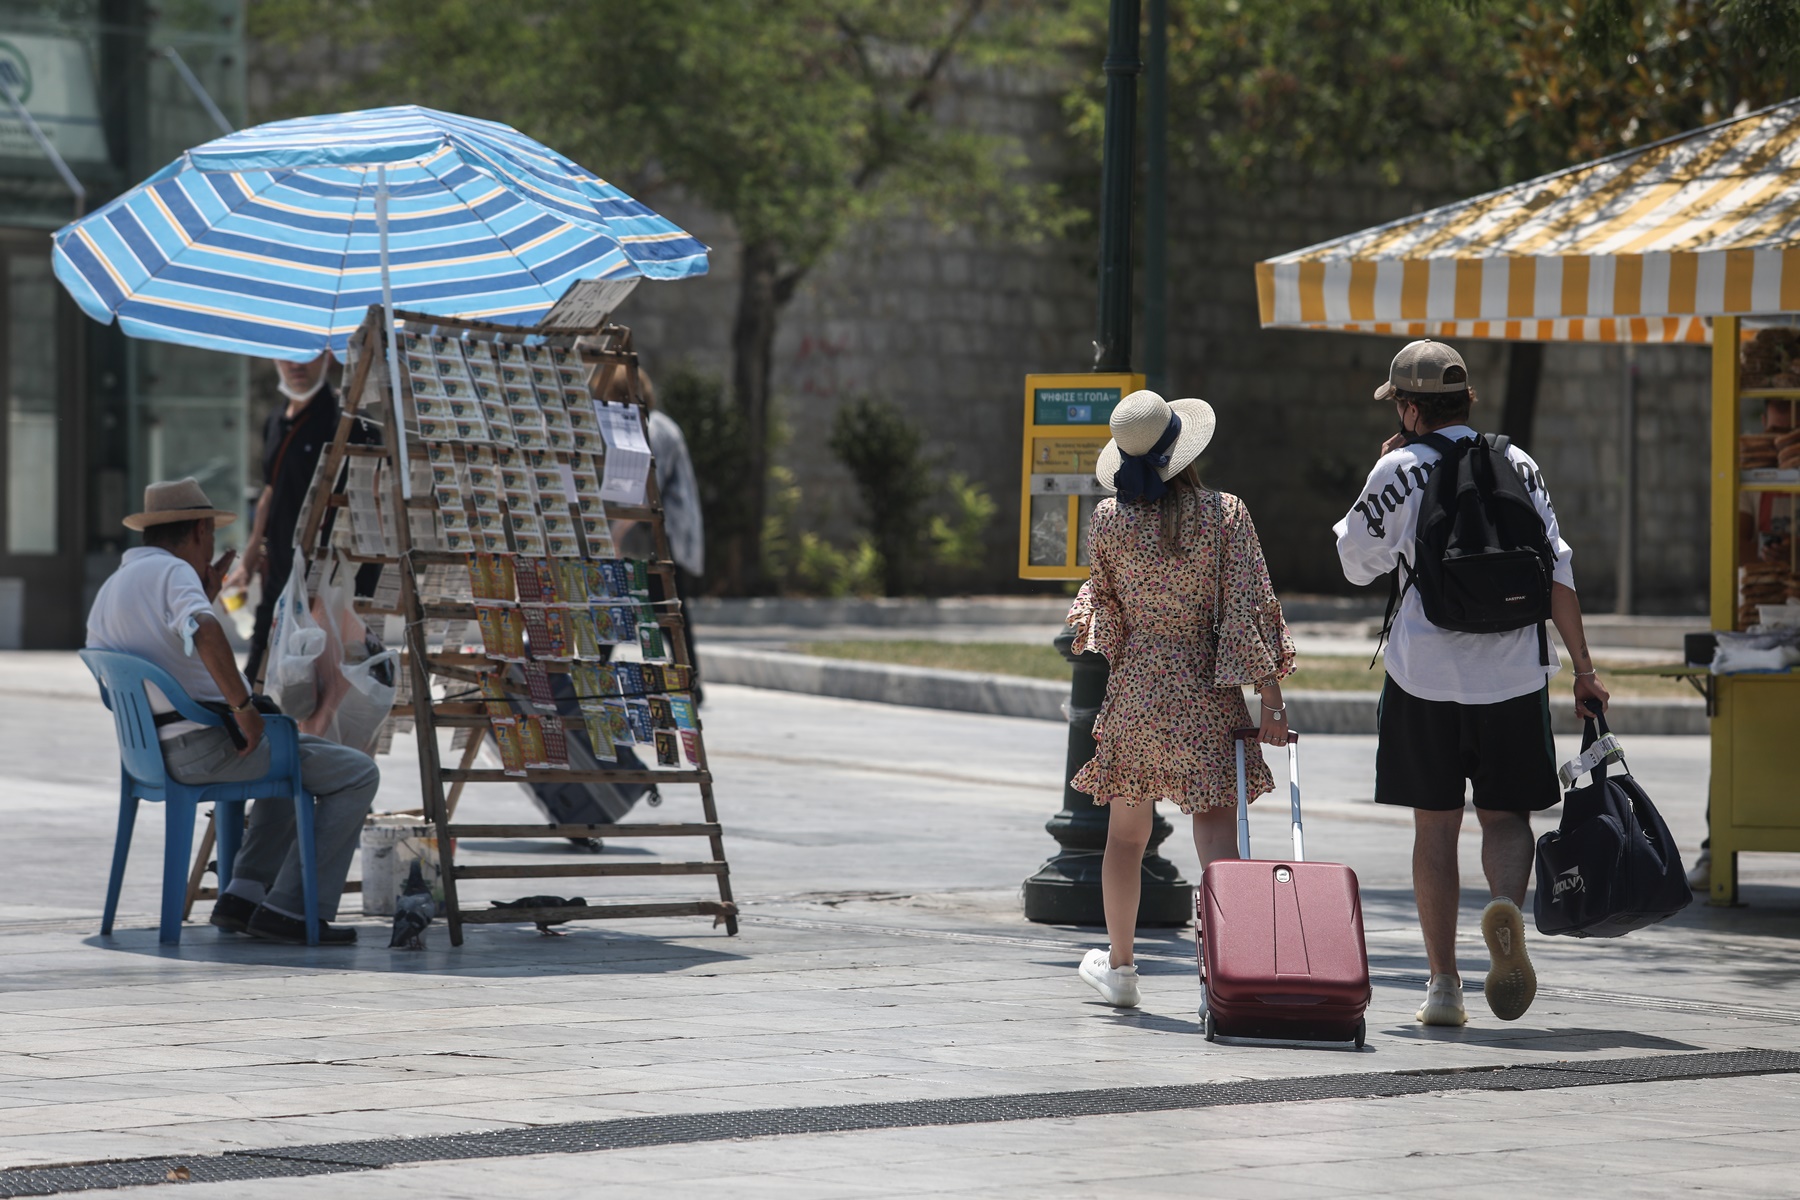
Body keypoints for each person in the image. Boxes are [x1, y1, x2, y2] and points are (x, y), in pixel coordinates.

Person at [1333, 339, 1609, 1027]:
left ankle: (1443, 986)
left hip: (1423, 676)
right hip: (1514, 674)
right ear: (1466, 401)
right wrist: (1584, 669)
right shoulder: (1517, 462)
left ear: (1408, 406)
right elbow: (1559, 573)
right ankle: (1507, 912)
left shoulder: (1398, 467)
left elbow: (1354, 564)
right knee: (1506, 817)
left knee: (1436, 826)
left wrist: (1379, 472)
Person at [1066, 391, 1296, 1008]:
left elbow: (1104, 611)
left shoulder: (1111, 519)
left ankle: (1120, 968)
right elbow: (1247, 609)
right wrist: (1270, 698)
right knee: (1218, 838)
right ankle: (1230, 972)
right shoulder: (1225, 514)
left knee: (1125, 837)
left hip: (1137, 689)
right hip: (1204, 691)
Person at [87, 478, 380, 945]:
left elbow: (169, 644)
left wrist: (208, 591)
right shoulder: (173, 573)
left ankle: (242, 895)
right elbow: (202, 629)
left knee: (290, 750)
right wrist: (243, 708)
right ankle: (291, 908)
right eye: (209, 539)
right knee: (356, 772)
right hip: (203, 748)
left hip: (152, 753)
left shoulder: (115, 586)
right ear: (201, 530)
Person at [226, 352, 351, 684]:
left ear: (325, 358)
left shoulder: (341, 419)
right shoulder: (275, 419)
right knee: (258, 668)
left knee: (316, 679)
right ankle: (257, 733)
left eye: (307, 356)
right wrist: (249, 559)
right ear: (273, 360)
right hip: (277, 568)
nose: (296, 365)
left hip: (322, 574)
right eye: (287, 356)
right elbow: (271, 489)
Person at [603, 367, 706, 690]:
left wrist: (615, 537)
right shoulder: (657, 425)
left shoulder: (649, 429)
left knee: (638, 603)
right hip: (657, 535)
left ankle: (597, 669)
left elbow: (645, 490)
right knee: (665, 608)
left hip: (658, 537)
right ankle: (691, 679)